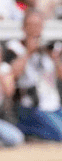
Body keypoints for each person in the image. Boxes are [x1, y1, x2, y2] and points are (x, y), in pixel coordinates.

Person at [9, 8, 62, 140]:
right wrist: (28, 51)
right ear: (23, 27)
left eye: (38, 26)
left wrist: (55, 59)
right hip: (31, 107)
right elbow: (11, 75)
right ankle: (27, 130)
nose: (35, 29)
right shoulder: (14, 47)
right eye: (31, 25)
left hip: (53, 104)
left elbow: (60, 76)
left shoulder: (48, 47)